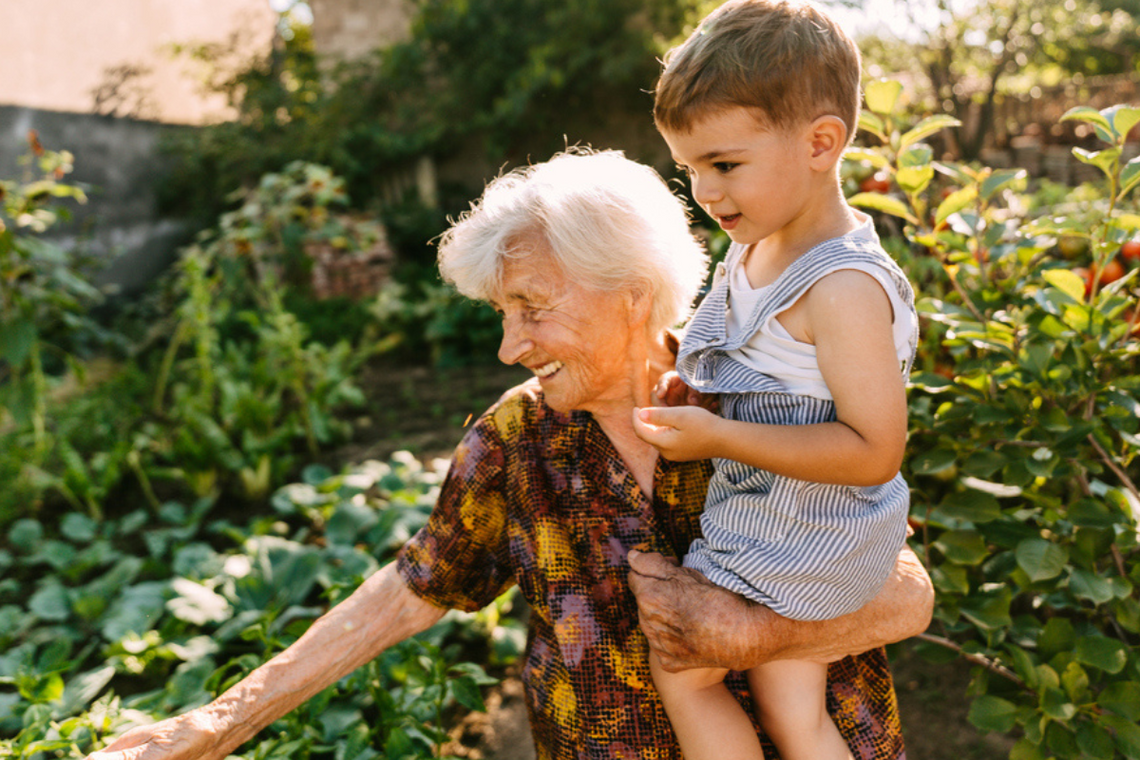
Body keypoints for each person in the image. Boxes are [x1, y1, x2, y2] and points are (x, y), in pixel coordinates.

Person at [85, 149, 933, 760]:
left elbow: (908, 595)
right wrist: (216, 723)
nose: (508, 345)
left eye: (530, 306)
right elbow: (412, 589)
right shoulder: (516, 440)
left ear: (630, 292)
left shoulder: (754, 394)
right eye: (503, 312)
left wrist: (752, 631)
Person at [630, 3, 919, 760]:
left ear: (821, 142)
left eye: (724, 165)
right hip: (793, 517)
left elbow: (873, 450)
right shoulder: (760, 245)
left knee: (683, 666)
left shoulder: (841, 288)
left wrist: (720, 435)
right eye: (689, 170)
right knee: (791, 707)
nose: (706, 193)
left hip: (808, 528)